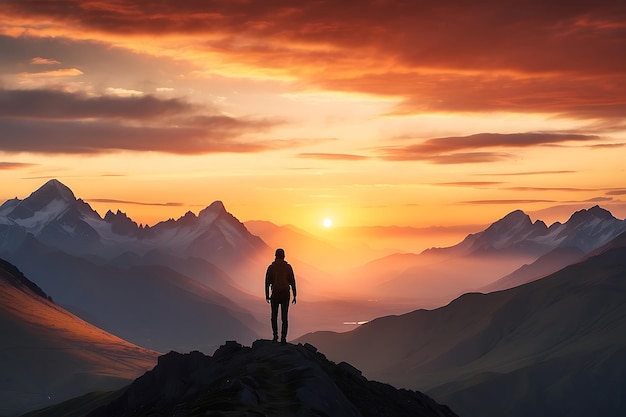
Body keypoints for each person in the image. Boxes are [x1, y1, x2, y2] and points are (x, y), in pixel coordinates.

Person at [265, 248, 297, 343]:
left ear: (275, 255)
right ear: (284, 256)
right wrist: (295, 295)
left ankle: (275, 336)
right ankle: (283, 338)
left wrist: (267, 295)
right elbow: (292, 281)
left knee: (274, 316)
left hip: (275, 294)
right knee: (284, 317)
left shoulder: (271, 267)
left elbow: (267, 282)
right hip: (285, 294)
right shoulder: (288, 267)